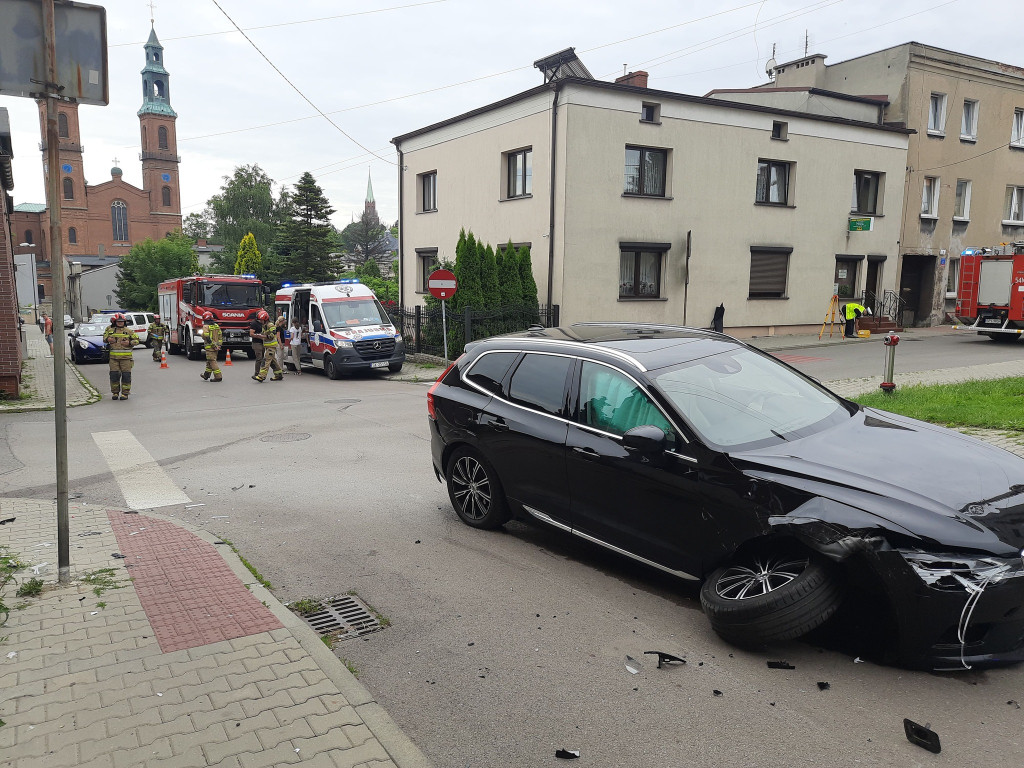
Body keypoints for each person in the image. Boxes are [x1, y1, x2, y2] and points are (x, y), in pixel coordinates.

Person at [103, 313, 139, 400]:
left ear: (124, 322)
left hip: (126, 359)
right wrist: (108, 339)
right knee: (114, 375)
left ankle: (125, 393)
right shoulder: (110, 330)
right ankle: (115, 393)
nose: (120, 323)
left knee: (126, 376)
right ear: (115, 322)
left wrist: (130, 343)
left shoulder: (129, 331)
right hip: (113, 359)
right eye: (118, 321)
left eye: (121, 321)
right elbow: (104, 338)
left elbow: (137, 340)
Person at [253, 309, 283, 382]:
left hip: (271, 347)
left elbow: (272, 335)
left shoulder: (271, 325)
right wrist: (261, 335)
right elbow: (265, 334)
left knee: (265, 361)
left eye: (261, 320)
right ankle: (278, 374)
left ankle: (261, 376)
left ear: (265, 319)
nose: (260, 321)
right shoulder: (264, 325)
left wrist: (262, 336)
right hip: (268, 347)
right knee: (273, 362)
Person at [200, 311, 223, 382]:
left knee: (212, 361)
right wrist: (218, 345)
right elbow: (220, 336)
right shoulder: (216, 326)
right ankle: (206, 375)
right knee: (209, 361)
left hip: (210, 347)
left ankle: (218, 377)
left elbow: (207, 337)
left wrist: (213, 344)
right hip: (216, 347)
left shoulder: (206, 326)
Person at [248, 311, 265, 377]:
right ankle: (257, 373)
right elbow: (251, 334)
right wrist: (259, 336)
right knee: (259, 358)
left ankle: (262, 372)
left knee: (263, 358)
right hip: (256, 343)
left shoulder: (263, 323)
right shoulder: (254, 323)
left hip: (263, 342)